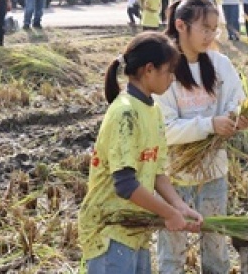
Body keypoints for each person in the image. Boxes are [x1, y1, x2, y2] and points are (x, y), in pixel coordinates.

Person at [78, 32, 203, 273]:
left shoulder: (153, 110)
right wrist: (168, 213)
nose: (172, 77)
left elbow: (156, 171)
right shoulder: (125, 113)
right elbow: (125, 185)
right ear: (149, 69)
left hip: (134, 228)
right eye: (169, 70)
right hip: (110, 229)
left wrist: (180, 207)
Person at [156, 0, 248, 274]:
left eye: (214, 29)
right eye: (205, 28)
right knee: (171, 253)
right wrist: (211, 124)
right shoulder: (165, 69)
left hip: (213, 173)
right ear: (181, 26)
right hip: (174, 177)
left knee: (217, 250)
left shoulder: (219, 64)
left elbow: (237, 101)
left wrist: (241, 117)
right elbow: (165, 131)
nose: (210, 35)